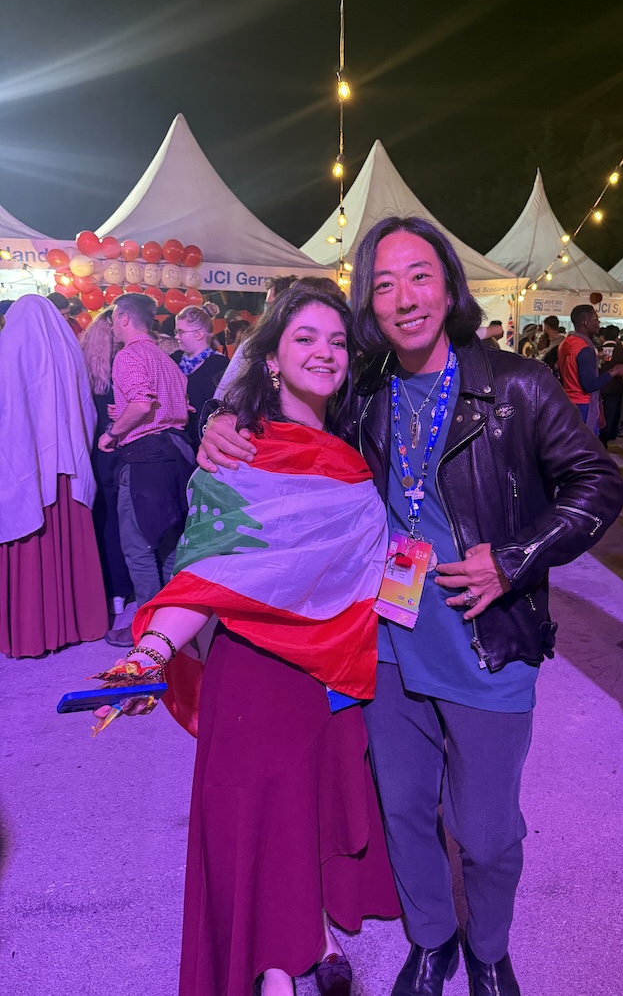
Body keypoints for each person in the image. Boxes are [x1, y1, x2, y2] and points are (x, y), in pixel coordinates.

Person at [201, 216, 623, 996]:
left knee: (486, 834)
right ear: (369, 302)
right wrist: (222, 419)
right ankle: (432, 938)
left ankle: (488, 948)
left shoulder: (516, 386)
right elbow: (285, 404)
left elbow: (598, 484)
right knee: (402, 810)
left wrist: (513, 558)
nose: (404, 298)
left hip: (487, 644)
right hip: (389, 647)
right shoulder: (363, 387)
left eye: (419, 276)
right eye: (384, 284)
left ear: (449, 286)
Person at [95, 280, 400, 996]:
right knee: (252, 819)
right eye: (305, 338)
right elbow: (208, 573)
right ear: (271, 359)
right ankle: (273, 972)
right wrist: (151, 654)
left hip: (331, 670)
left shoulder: (359, 449)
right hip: (256, 672)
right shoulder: (237, 451)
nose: (324, 352)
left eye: (336, 341)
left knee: (307, 812)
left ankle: (309, 937)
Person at [0, 295, 108, 657]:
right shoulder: (69, 349)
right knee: (70, 543)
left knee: (30, 545)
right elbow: (86, 409)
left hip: (27, 470)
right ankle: (81, 623)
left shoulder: (9, 348)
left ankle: (32, 634)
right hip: (68, 472)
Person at [99, 293, 192, 645]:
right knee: (169, 543)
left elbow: (141, 404)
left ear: (124, 318)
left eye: (113, 320)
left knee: (138, 547)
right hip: (177, 455)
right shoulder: (166, 359)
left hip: (145, 459)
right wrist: (125, 412)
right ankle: (172, 629)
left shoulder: (128, 355)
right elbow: (182, 407)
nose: (112, 326)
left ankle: (146, 630)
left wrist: (112, 432)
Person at [80, 310, 133, 615]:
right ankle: (124, 589)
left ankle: (109, 591)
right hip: (122, 452)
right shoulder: (126, 368)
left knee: (102, 522)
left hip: (95, 456)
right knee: (124, 524)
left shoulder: (82, 372)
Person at [558, 304, 623, 433]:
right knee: (586, 442)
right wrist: (614, 371)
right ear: (586, 322)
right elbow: (589, 385)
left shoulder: (566, 343)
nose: (599, 322)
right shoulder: (584, 348)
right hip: (583, 405)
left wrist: (594, 359)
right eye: (596, 319)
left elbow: (568, 368)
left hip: (567, 400)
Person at [173, 305, 229, 450]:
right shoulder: (173, 360)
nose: (176, 336)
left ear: (199, 334)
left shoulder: (219, 365)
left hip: (206, 442)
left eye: (181, 331)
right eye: (176, 331)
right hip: (177, 443)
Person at [598, 325, 623, 446]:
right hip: (615, 387)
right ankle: (606, 439)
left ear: (603, 336)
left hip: (598, 386)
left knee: (598, 413)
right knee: (611, 414)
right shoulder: (622, 352)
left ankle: (598, 438)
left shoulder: (597, 350)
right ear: (617, 337)